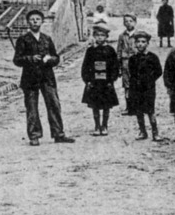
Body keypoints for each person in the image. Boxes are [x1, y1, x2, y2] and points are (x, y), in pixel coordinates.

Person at [14, 9, 73, 145]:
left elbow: (56, 58)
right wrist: (30, 58)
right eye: (32, 19)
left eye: (38, 19)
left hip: (47, 77)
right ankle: (34, 136)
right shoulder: (23, 40)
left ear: (42, 22)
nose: (35, 22)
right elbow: (17, 60)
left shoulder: (47, 39)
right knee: (32, 108)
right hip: (30, 79)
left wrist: (50, 59)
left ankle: (58, 134)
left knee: (54, 105)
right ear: (28, 22)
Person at [79, 19, 120, 136]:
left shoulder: (110, 50)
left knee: (107, 105)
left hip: (106, 82)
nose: (100, 38)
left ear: (106, 37)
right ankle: (97, 125)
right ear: (94, 36)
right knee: (95, 105)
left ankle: (105, 125)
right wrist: (87, 80)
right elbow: (85, 66)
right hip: (94, 82)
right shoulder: (91, 50)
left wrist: (112, 79)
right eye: (97, 35)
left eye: (102, 35)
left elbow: (115, 66)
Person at [124, 29, 166, 142]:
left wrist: (149, 80)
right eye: (138, 42)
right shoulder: (133, 59)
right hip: (136, 89)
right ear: (135, 43)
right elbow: (131, 73)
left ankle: (155, 133)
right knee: (138, 110)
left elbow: (158, 71)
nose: (140, 44)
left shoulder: (152, 57)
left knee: (150, 110)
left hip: (148, 89)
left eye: (143, 41)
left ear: (147, 43)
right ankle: (142, 131)